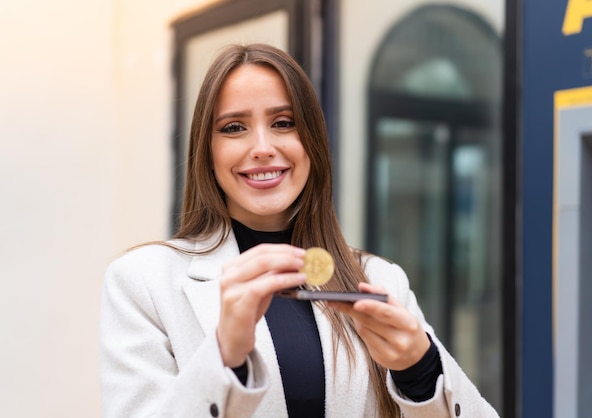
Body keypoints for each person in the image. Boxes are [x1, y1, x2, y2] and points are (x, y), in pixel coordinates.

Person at [99, 43, 499, 418]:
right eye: (234, 127)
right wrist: (225, 356)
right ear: (207, 151)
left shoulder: (379, 278)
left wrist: (421, 369)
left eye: (284, 122)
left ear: (313, 141)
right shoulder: (143, 281)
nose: (261, 147)